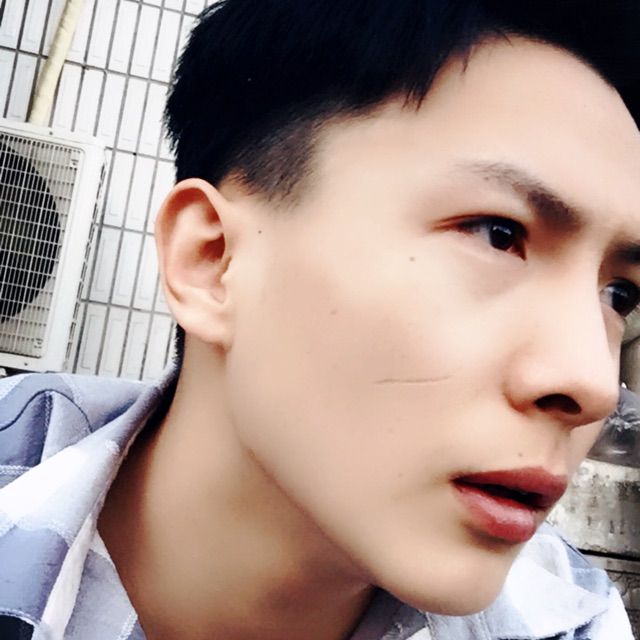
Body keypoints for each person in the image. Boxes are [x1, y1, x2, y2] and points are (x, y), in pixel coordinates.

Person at [1, 1, 639, 638]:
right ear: (213, 260)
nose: (593, 383)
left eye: (620, 294)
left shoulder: (573, 622)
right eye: (499, 235)